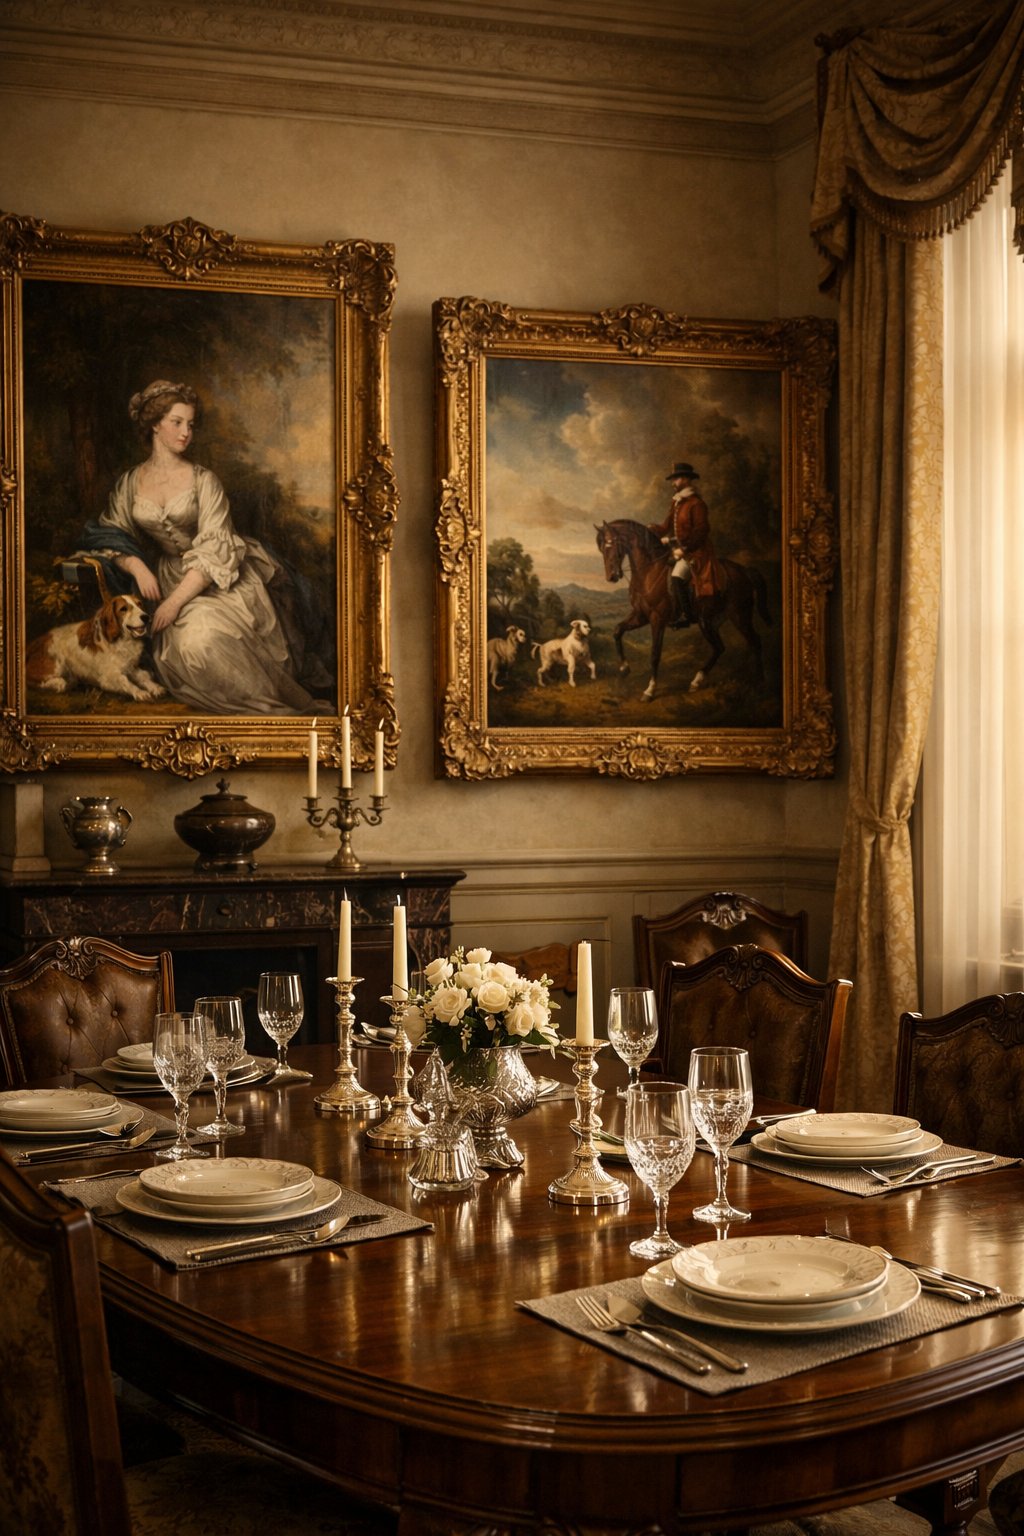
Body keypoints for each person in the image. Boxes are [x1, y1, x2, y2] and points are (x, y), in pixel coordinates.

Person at [77, 380, 331, 715]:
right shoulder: (130, 482)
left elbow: (215, 547)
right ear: (155, 424)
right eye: (177, 422)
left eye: (191, 424)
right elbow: (111, 533)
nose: (186, 432)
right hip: (166, 578)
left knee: (205, 638)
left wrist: (173, 604)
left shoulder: (204, 480)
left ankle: (265, 711)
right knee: (187, 650)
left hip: (217, 580)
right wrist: (136, 566)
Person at [648, 461, 722, 629]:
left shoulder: (696, 504)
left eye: (676, 479)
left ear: (686, 479)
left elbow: (701, 532)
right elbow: (665, 527)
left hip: (697, 551)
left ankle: (686, 616)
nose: (673, 483)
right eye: (673, 480)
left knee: (676, 577)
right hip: (680, 550)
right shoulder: (677, 502)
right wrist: (650, 530)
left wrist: (684, 549)